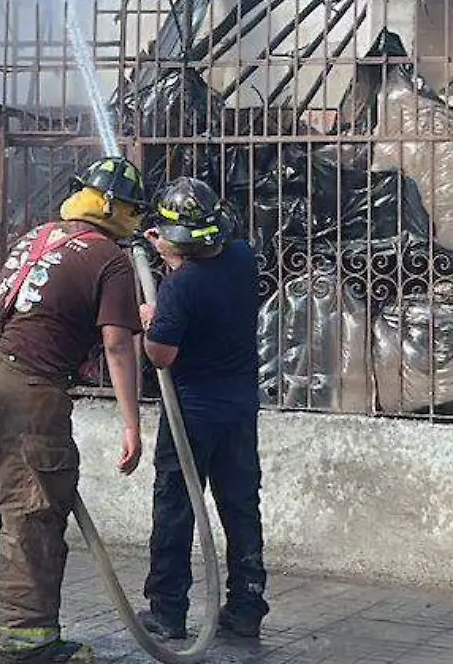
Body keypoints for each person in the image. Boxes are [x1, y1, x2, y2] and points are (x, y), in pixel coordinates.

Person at [0, 157, 149, 664]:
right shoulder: (108, 258)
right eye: (131, 207)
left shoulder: (39, 235)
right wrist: (132, 422)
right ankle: (27, 641)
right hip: (30, 384)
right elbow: (118, 346)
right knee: (32, 510)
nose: (133, 218)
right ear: (111, 205)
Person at [132, 177, 269, 642]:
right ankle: (247, 606)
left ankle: (167, 611)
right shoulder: (242, 258)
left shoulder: (180, 288)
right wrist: (171, 253)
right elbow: (201, 262)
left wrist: (153, 322)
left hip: (192, 413)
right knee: (241, 505)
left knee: (175, 506)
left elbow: (161, 355)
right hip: (240, 407)